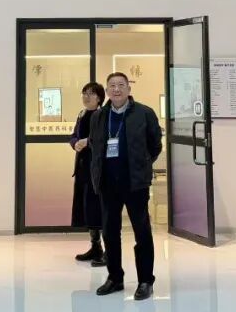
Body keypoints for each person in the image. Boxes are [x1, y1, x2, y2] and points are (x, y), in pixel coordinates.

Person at [88, 72, 162, 301]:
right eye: (112, 86)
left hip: (135, 183)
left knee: (142, 231)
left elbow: (155, 145)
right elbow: (94, 144)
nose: (117, 89)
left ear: (129, 89)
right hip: (108, 183)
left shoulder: (144, 113)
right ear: (107, 91)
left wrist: (142, 164)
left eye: (121, 85)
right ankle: (115, 278)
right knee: (110, 232)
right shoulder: (99, 116)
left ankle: (145, 281)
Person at [69, 82, 107, 266]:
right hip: (83, 168)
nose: (86, 97)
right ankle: (95, 247)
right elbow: (73, 135)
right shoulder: (82, 114)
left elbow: (104, 139)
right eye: (84, 93)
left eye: (90, 94)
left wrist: (87, 142)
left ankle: (108, 252)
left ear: (99, 98)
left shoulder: (104, 115)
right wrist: (75, 143)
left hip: (98, 169)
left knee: (99, 209)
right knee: (87, 209)